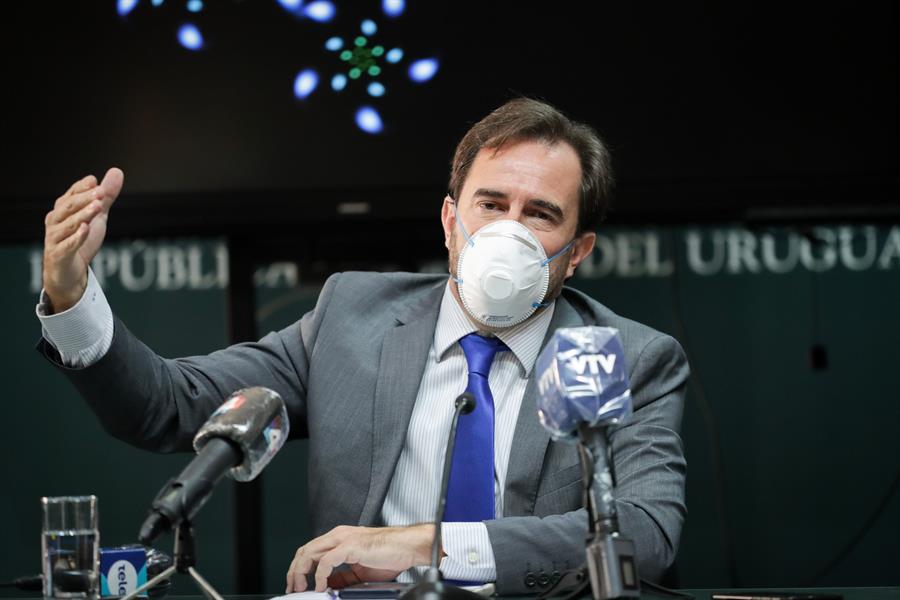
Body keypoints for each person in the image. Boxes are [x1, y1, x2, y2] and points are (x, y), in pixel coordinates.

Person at [36, 98, 689, 595]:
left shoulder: (625, 358)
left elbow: (646, 533)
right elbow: (165, 406)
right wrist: (71, 293)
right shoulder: (352, 319)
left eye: (540, 214)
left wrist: (424, 545)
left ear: (576, 252)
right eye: (491, 205)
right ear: (450, 222)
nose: (508, 233)